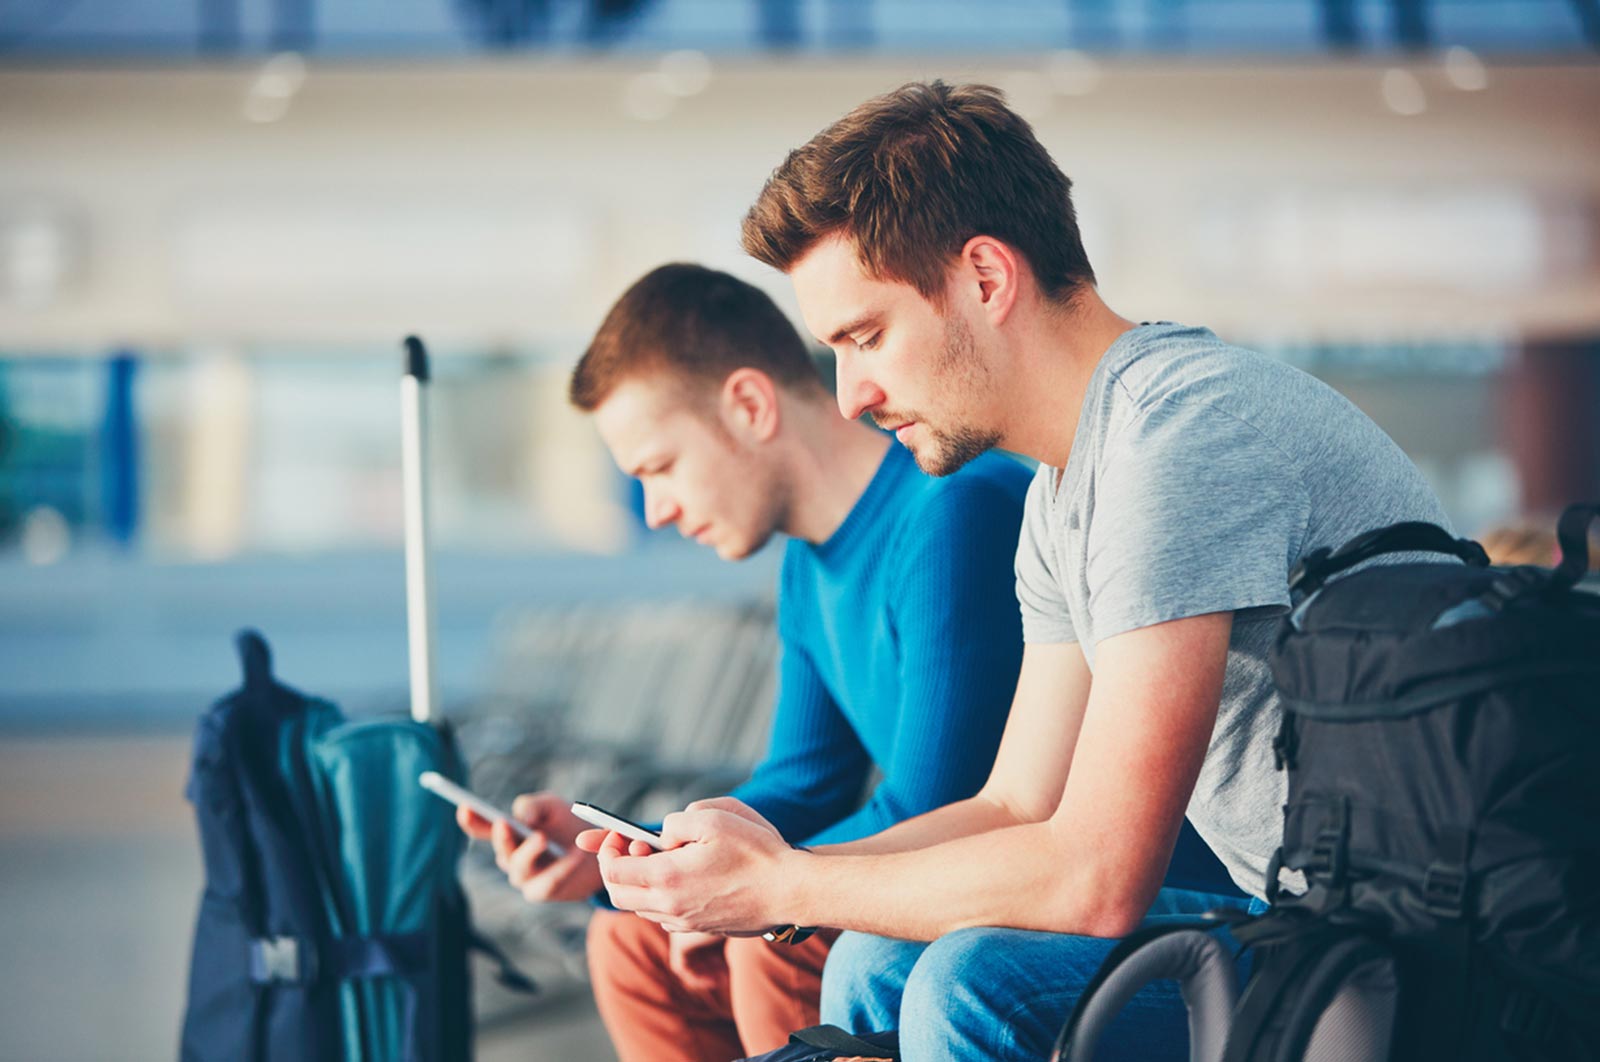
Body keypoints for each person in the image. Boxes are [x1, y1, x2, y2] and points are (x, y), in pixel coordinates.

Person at [578, 83, 1452, 1061]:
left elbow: (1098, 875)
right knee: (871, 958)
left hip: (1401, 943)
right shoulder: (1063, 486)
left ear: (985, 278)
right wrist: (763, 876)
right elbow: (1014, 805)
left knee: (971, 982)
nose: (852, 393)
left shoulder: (1177, 440)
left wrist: (785, 887)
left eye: (865, 337)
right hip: (1282, 911)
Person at [456, 262, 1032, 1061]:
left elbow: (935, 809)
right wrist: (637, 859)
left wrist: (749, 892)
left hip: (1009, 883)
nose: (654, 510)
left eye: (659, 468)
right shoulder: (807, 564)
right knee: (628, 938)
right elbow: (802, 783)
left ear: (750, 405)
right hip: (917, 860)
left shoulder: (953, 511)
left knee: (772, 943)